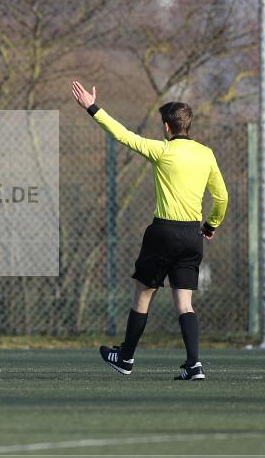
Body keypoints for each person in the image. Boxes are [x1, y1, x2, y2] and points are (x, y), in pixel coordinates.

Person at [71, 80, 227, 381]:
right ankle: (194, 365)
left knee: (143, 294)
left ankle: (126, 357)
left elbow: (122, 135)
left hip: (164, 233)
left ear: (167, 127)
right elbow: (221, 197)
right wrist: (211, 225)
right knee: (185, 303)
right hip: (193, 236)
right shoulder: (206, 154)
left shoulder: (162, 150)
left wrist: (92, 107)